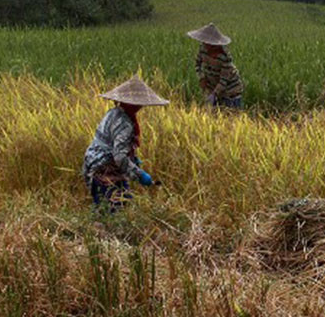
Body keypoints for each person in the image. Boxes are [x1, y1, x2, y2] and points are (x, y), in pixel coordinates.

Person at [82, 75, 168, 213]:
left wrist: (133, 159)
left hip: (92, 163)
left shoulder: (113, 113)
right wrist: (139, 174)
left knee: (102, 208)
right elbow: (119, 156)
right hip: (105, 168)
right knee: (116, 211)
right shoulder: (125, 124)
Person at [186, 23, 244, 108]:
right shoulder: (203, 49)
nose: (206, 46)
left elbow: (223, 81)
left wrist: (214, 94)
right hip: (212, 85)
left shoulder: (225, 57)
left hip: (230, 90)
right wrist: (201, 77)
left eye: (209, 45)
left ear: (215, 45)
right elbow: (197, 64)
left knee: (230, 115)